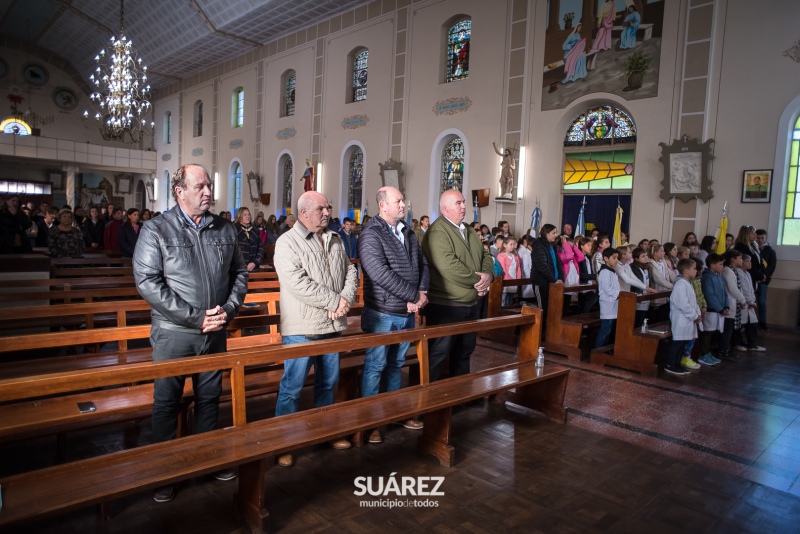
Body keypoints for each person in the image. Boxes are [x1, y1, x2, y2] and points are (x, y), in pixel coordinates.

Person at [133, 163, 248, 502]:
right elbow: (148, 283)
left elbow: (240, 273)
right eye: (200, 186)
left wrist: (228, 310)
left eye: (209, 185)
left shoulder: (224, 228)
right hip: (174, 333)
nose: (208, 192)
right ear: (179, 191)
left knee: (209, 397)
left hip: (215, 330)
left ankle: (207, 459)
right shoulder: (157, 230)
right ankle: (165, 471)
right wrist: (196, 318)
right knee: (167, 402)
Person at [273, 191, 359, 467]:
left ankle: (325, 432)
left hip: (332, 324)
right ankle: (283, 442)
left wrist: (344, 300)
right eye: (321, 208)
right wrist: (336, 301)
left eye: (328, 207)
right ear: (304, 212)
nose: (327, 212)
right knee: (292, 387)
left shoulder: (334, 238)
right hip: (302, 326)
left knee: (328, 383)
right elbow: (298, 283)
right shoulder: (287, 242)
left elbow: (350, 271)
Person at [357, 186, 429, 443]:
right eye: (398, 201)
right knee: (375, 366)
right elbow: (379, 274)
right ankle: (371, 421)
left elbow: (422, 263)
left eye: (403, 201)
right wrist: (412, 296)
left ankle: (393, 413)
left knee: (396, 365)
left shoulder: (408, 232)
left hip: (406, 311)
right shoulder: (371, 234)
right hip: (383, 312)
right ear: (383, 205)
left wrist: (421, 292)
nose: (403, 204)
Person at [420, 190, 493, 382]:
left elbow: (486, 255)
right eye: (458, 203)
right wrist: (479, 281)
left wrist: (488, 275)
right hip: (447, 305)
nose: (464, 206)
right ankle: (430, 401)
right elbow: (449, 266)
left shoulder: (468, 229)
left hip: (470, 303)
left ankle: (459, 397)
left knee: (464, 351)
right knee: (438, 353)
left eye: (464, 202)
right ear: (445, 209)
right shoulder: (437, 232)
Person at [664, 259, 703, 375]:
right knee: (677, 343)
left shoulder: (688, 283)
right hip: (681, 318)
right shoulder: (680, 284)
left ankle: (677, 364)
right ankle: (670, 364)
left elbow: (693, 301)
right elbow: (683, 304)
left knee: (683, 342)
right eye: (694, 268)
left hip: (688, 319)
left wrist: (697, 313)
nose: (696, 271)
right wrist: (694, 315)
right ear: (686, 270)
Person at [531, 224, 564, 331]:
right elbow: (542, 265)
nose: (556, 235)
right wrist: (554, 279)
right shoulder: (539, 245)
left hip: (552, 283)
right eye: (553, 233)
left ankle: (547, 332)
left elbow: (557, 262)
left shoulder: (552, 245)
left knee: (552, 309)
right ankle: (538, 333)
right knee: (542, 309)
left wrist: (560, 278)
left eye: (556, 232)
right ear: (546, 233)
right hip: (541, 282)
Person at [699, 253, 728, 364]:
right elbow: (709, 295)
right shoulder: (707, 277)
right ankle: (703, 354)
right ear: (712, 265)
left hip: (719, 309)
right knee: (706, 333)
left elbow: (724, 292)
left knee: (712, 333)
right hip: (711, 310)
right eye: (720, 264)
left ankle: (708, 352)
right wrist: (719, 309)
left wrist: (726, 306)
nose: (722, 266)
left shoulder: (719, 276)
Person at [735, 255, 765, 352]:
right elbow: (743, 289)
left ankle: (752, 344)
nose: (750, 263)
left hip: (750, 303)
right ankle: (738, 343)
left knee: (753, 324)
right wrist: (750, 301)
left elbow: (751, 289)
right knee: (741, 325)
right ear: (742, 262)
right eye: (747, 261)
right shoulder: (738, 273)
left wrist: (752, 300)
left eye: (750, 261)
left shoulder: (747, 273)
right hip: (744, 303)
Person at [721, 250, 746, 360]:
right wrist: (742, 299)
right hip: (729, 303)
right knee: (727, 329)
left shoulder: (732, 270)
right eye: (740, 258)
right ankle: (724, 351)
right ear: (732, 259)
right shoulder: (728, 271)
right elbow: (732, 288)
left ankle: (727, 349)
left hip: (732, 302)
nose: (742, 260)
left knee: (729, 329)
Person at [595, 247, 620, 348]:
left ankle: (603, 349)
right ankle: (597, 350)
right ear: (606, 258)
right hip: (607, 303)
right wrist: (618, 294)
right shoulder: (605, 272)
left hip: (613, 303)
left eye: (617, 258)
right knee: (605, 329)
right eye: (614, 258)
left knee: (609, 329)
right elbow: (607, 289)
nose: (616, 260)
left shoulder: (611, 271)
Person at [648, 243, 675, 323]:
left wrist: (678, 281)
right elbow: (658, 279)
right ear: (655, 253)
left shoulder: (663, 261)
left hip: (665, 292)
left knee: (663, 315)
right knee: (655, 316)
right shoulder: (651, 264)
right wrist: (673, 286)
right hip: (657, 291)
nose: (664, 253)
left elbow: (670, 273)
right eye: (662, 251)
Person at [755, 229, 775, 330]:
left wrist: (763, 275)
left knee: (762, 301)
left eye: (762, 238)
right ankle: (752, 322)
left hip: (763, 279)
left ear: (765, 238)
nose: (760, 240)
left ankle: (762, 322)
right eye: (758, 238)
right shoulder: (753, 249)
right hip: (753, 279)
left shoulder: (770, 251)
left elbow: (771, 266)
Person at [630, 247, 654, 327]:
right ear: (636, 258)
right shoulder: (633, 268)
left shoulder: (646, 267)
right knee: (636, 321)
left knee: (642, 321)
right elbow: (635, 283)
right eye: (643, 256)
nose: (646, 257)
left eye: (646, 255)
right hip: (638, 298)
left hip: (645, 297)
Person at [234, 207, 263, 272]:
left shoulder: (255, 230)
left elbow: (260, 248)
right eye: (245, 215)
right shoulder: (234, 230)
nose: (248, 216)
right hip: (238, 267)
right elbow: (231, 250)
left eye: (249, 214)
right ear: (239, 216)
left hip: (253, 266)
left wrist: (255, 263)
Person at [497, 236, 521, 306]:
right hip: (505, 281)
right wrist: (510, 280)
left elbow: (518, 268)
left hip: (513, 280)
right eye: (511, 244)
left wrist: (518, 279)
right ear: (504, 245)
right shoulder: (501, 256)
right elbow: (503, 269)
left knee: (509, 301)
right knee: (503, 300)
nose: (513, 246)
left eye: (514, 244)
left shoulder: (515, 256)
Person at [576, 236, 598, 313]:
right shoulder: (579, 258)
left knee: (582, 303)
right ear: (581, 246)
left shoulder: (588, 258)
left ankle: (582, 316)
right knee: (593, 297)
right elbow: (581, 274)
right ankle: (583, 315)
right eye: (588, 245)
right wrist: (595, 276)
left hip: (588, 284)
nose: (590, 247)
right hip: (581, 284)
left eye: (591, 245)